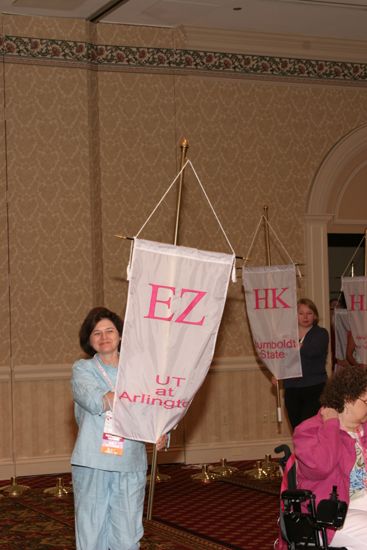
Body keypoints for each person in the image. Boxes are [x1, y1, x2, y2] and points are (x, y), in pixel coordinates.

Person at [71, 306, 166, 550]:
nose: (104, 337)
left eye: (109, 331)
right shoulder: (83, 370)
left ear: (121, 335)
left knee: (127, 534)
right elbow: (94, 399)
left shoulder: (140, 370)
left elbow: (155, 408)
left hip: (130, 461)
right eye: (97, 333)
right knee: (92, 532)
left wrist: (161, 431)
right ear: (89, 341)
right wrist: (137, 392)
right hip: (93, 461)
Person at [293, 365, 367, 550]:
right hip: (331, 514)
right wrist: (332, 425)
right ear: (348, 399)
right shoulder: (309, 430)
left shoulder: (363, 429)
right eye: (366, 400)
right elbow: (321, 467)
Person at [283, 298, 329, 430]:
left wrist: (298, 346)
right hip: (292, 387)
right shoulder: (287, 335)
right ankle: (299, 452)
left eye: (309, 313)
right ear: (295, 315)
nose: (305, 317)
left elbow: (313, 351)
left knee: (309, 428)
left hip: (314, 388)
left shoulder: (321, 333)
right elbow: (281, 358)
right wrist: (277, 374)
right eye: (301, 313)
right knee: (296, 429)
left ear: (315, 316)